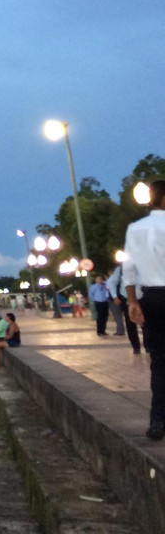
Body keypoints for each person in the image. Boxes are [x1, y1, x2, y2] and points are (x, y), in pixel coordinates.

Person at [123, 179, 165, 441]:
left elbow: (128, 270)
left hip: (152, 298)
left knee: (159, 362)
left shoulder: (135, 229)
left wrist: (132, 302)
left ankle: (157, 421)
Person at [108, 263, 142, 353]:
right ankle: (136, 347)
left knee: (147, 323)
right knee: (131, 323)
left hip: (144, 297)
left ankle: (149, 345)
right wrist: (115, 296)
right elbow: (112, 282)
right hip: (128, 298)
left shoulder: (145, 263)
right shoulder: (120, 269)